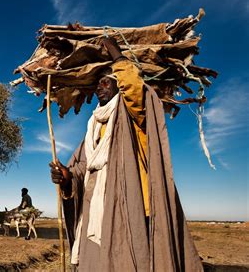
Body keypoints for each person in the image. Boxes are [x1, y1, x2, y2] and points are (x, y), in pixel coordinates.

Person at [49, 38, 202, 271]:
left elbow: (134, 88)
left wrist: (115, 53)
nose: (99, 87)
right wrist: (67, 176)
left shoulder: (133, 116)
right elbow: (83, 167)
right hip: (94, 209)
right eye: (97, 84)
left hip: (127, 203)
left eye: (105, 83)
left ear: (118, 86)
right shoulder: (93, 127)